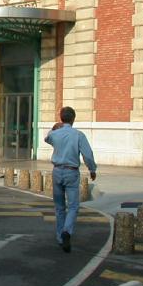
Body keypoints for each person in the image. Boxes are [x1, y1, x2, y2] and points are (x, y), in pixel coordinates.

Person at [45, 106, 97, 254]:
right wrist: (92, 169)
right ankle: (67, 231)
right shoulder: (78, 135)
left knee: (59, 207)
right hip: (71, 172)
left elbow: (47, 138)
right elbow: (87, 154)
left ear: (61, 118)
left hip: (57, 171)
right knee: (73, 206)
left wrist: (54, 128)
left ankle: (60, 237)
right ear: (73, 119)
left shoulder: (56, 134)